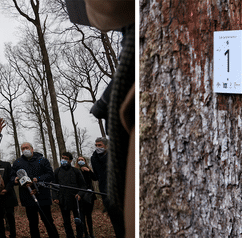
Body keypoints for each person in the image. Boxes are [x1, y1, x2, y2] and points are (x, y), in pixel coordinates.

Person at [67, 1, 136, 236]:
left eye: (99, 144)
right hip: (110, 192)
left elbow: (110, 7)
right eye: (96, 145)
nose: (97, 147)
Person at [10, 142, 59, 238]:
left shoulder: (42, 160)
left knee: (48, 221)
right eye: (23, 148)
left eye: (27, 147)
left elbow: (50, 175)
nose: (25, 150)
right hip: (27, 197)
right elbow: (11, 177)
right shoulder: (17, 163)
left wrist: (37, 179)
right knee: (32, 223)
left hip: (43, 196)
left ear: (32, 149)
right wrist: (15, 180)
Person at [53, 152, 87, 238]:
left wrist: (80, 194)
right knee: (66, 221)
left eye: (66, 158)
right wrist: (55, 197)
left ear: (70, 160)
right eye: (62, 158)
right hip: (63, 200)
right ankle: (70, 236)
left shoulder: (76, 171)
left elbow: (83, 186)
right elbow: (53, 186)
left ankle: (80, 236)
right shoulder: (57, 171)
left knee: (78, 220)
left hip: (75, 200)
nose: (63, 160)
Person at [0, 153, 17, 238]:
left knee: (10, 217)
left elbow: (11, 178)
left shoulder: (6, 164)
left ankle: (13, 235)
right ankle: (2, 236)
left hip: (8, 195)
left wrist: (6, 189)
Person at [75, 156, 97, 238]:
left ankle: (91, 233)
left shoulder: (88, 170)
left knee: (89, 216)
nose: (80, 161)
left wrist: (89, 171)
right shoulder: (76, 171)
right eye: (79, 160)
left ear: (85, 161)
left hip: (90, 195)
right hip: (81, 195)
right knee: (82, 216)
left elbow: (95, 178)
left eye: (82, 160)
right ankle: (86, 234)